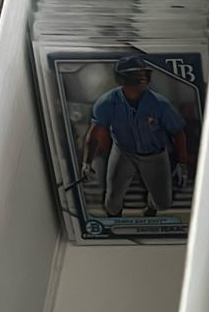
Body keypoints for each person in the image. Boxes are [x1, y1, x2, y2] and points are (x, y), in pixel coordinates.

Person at [81, 57, 189, 219]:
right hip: (123, 151)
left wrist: (182, 163)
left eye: (142, 73)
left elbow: (178, 132)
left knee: (163, 202)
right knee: (112, 201)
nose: (140, 77)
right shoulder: (107, 102)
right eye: (134, 74)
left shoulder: (160, 104)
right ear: (122, 78)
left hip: (155, 154)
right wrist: (87, 162)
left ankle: (151, 207)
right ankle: (115, 222)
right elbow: (95, 133)